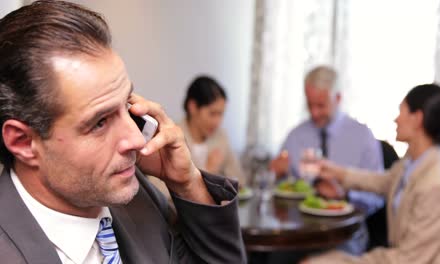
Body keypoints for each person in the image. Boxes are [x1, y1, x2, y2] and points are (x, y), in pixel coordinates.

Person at [0, 1, 246, 263]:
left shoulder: (137, 197)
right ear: (24, 142)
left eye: (127, 105)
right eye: (100, 122)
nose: (137, 139)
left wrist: (187, 183)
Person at [302, 84, 440, 264]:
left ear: (417, 118)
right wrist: (335, 172)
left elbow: (409, 260)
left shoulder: (438, 184)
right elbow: (382, 181)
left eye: (401, 112)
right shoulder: (414, 162)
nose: (396, 119)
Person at [269, 65, 384, 254]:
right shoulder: (296, 136)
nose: (314, 113)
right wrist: (277, 174)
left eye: (321, 105)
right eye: (309, 105)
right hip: (296, 233)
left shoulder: (363, 137)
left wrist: (345, 196)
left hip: (344, 237)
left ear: (338, 98)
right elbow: (279, 189)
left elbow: (378, 196)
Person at [180, 76, 246, 186]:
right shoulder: (172, 137)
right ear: (193, 107)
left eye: (221, 114)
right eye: (212, 113)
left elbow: (240, 182)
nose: (217, 122)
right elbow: (160, 190)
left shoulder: (221, 136)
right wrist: (208, 171)